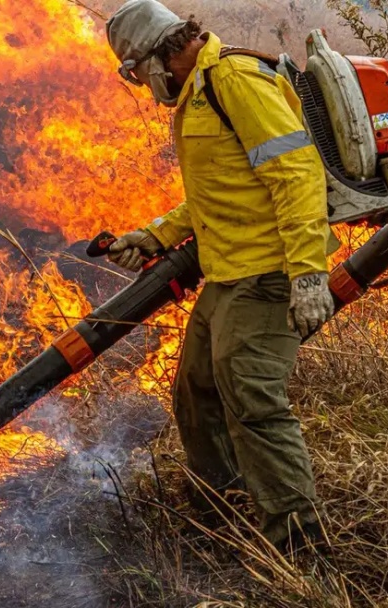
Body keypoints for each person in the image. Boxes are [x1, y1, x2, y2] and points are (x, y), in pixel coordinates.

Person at [104, 0, 334, 552]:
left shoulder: (234, 80)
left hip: (268, 272)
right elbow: (221, 194)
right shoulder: (199, 93)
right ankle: (221, 516)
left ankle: (302, 549)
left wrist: (307, 276)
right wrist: (156, 234)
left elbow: (297, 175)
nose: (143, 86)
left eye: (137, 74)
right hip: (229, 272)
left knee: (251, 397)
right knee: (196, 392)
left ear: (157, 58)